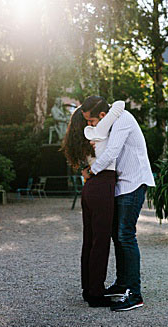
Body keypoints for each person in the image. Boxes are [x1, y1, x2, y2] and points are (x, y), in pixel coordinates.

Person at [79, 96, 155, 312]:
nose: (90, 125)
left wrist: (91, 172)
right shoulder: (109, 122)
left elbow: (112, 152)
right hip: (121, 184)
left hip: (134, 182)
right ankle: (122, 284)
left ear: (102, 116)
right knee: (116, 234)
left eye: (91, 121)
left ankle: (134, 292)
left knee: (125, 235)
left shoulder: (123, 120)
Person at [60, 100, 124, 308]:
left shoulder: (83, 141)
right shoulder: (99, 134)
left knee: (90, 240)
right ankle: (96, 293)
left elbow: (84, 169)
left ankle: (88, 289)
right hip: (102, 185)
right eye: (90, 119)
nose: (94, 121)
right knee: (101, 241)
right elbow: (119, 106)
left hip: (89, 189)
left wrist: (86, 171)